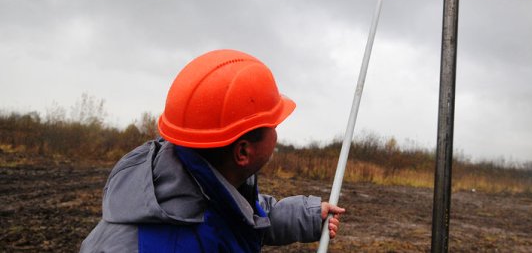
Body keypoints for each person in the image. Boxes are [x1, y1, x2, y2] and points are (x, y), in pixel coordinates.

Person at [81, 49, 345, 252]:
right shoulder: (171, 243)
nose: (277, 131)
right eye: (272, 124)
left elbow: (243, 215)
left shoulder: (192, 181)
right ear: (243, 153)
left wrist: (308, 215)